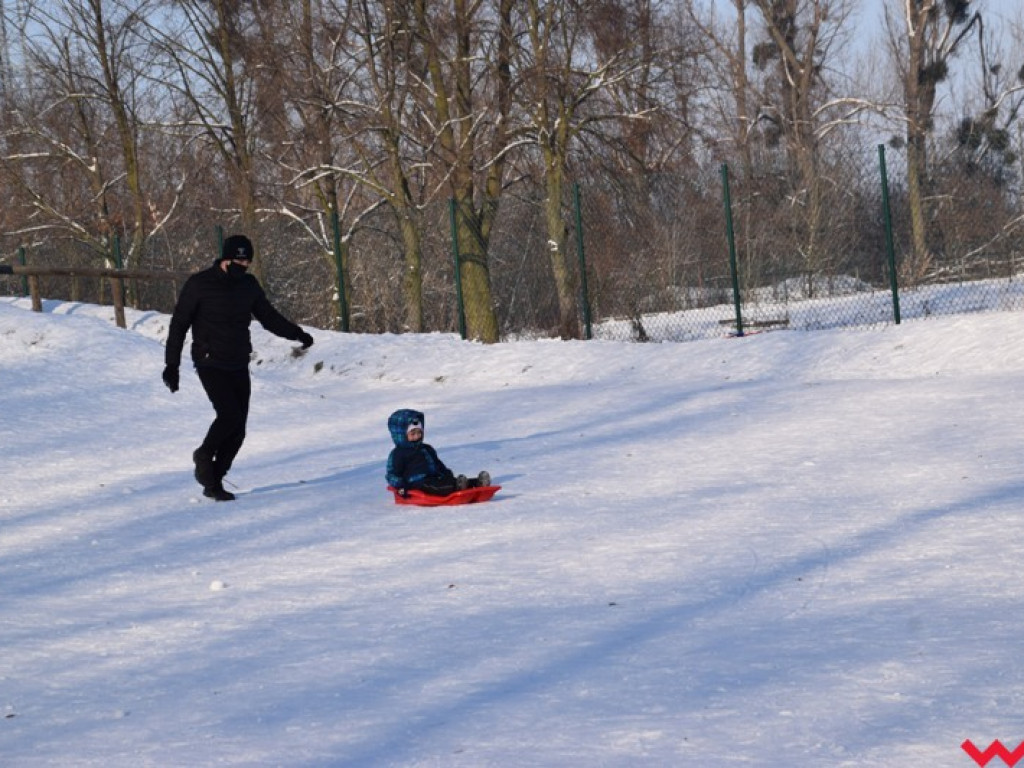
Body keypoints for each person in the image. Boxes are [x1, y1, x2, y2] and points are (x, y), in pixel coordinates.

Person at [162, 234, 314, 501]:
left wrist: (297, 334)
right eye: (239, 261)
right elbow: (179, 324)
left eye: (247, 262)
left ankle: (214, 481)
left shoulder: (248, 285)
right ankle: (203, 454)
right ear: (225, 259)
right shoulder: (200, 285)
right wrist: (171, 365)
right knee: (229, 415)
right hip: (210, 361)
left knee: (239, 429)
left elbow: (269, 317)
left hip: (238, 361)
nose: (243, 266)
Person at [386, 409, 490, 496]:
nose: (417, 436)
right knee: (437, 488)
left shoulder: (426, 448)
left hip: (435, 477)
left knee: (450, 481)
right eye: (413, 434)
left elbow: (437, 463)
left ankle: (477, 483)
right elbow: (392, 474)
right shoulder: (398, 454)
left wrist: (446, 473)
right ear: (401, 435)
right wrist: (400, 486)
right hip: (417, 483)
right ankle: (457, 488)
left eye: (419, 432)